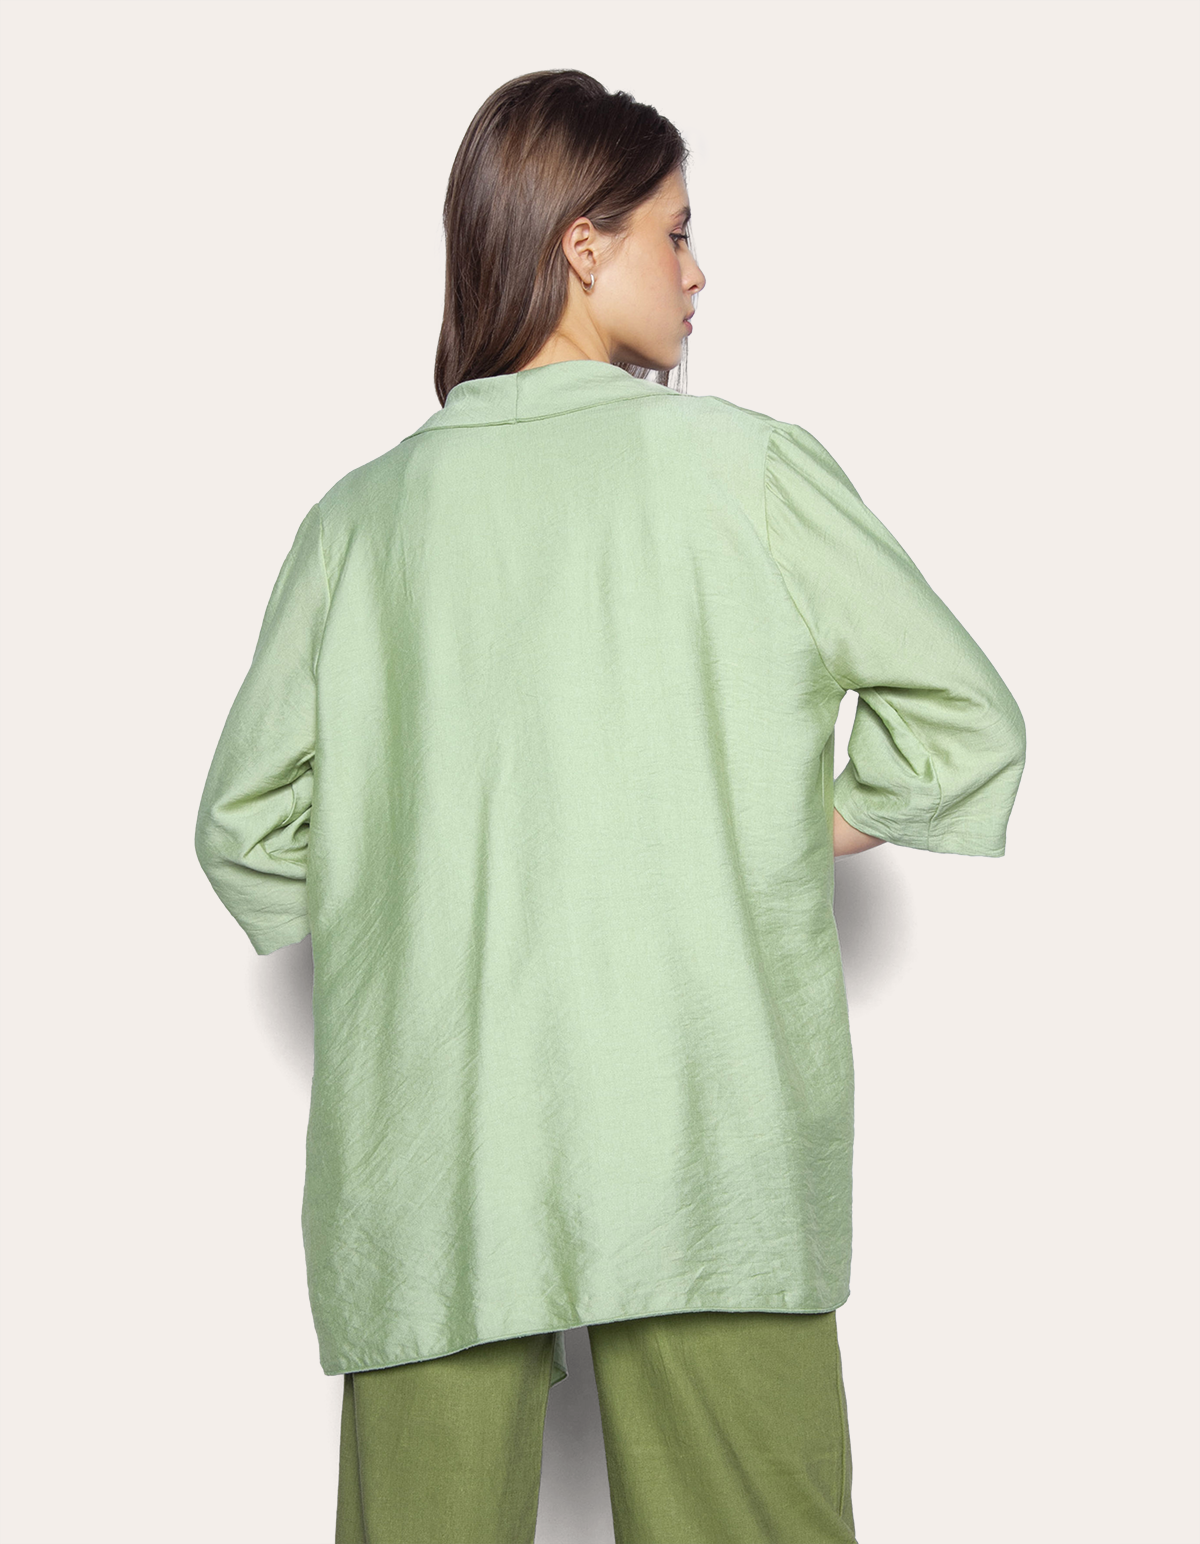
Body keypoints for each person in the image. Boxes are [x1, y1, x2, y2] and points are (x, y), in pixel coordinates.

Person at [195, 68, 1026, 1544]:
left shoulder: (363, 522)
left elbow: (246, 828)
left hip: (438, 1151)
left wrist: (424, 862)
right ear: (583, 246)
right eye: (676, 232)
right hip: (705, 1131)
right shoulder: (746, 470)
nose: (700, 274)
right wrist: (783, 823)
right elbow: (964, 721)